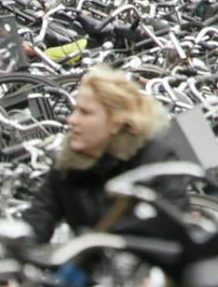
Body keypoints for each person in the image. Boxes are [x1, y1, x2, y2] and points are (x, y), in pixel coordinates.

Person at [21, 65, 187, 244]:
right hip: (89, 266)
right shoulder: (68, 165)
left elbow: (172, 227)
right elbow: (40, 215)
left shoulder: (154, 160)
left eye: (85, 112)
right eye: (75, 110)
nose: (72, 120)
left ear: (116, 123)